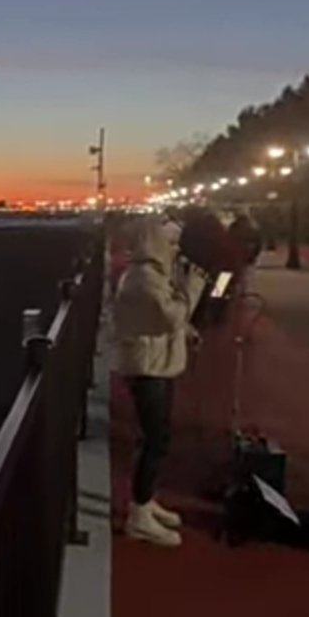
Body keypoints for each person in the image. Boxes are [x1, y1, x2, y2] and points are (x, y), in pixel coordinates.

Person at [113, 216, 207, 547]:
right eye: (169, 243)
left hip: (155, 365)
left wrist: (187, 330)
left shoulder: (149, 275)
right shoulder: (143, 280)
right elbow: (170, 316)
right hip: (147, 369)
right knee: (154, 440)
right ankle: (139, 515)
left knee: (156, 438)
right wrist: (193, 288)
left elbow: (167, 318)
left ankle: (145, 500)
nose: (175, 249)